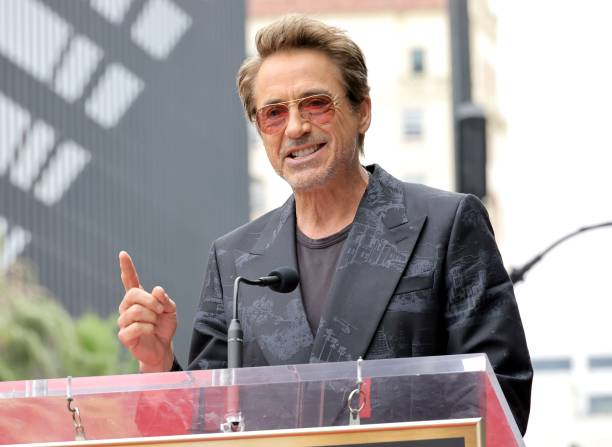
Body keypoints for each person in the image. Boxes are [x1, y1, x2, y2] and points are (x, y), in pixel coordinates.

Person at [117, 15, 532, 434]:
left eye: (316, 103)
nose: (296, 127)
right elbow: (202, 431)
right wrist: (155, 363)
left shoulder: (445, 225)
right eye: (274, 114)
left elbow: (502, 398)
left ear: (362, 111)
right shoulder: (235, 261)